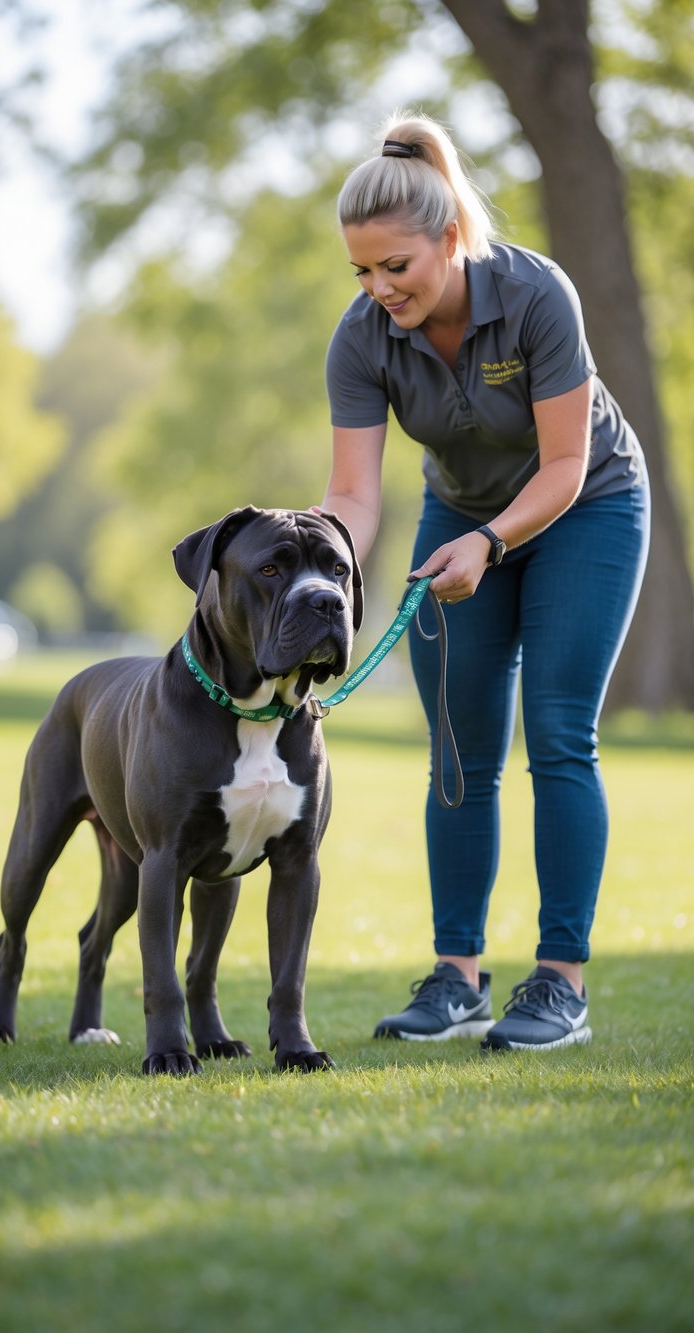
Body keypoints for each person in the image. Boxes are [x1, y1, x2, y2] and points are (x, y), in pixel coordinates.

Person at [320, 110, 650, 1051]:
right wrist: (318, 576)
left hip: (587, 505)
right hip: (458, 513)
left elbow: (564, 469)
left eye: (398, 267)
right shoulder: (361, 342)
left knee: (556, 732)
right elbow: (352, 494)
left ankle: (560, 983)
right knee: (459, 751)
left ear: (450, 239)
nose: (380, 289)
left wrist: (489, 545)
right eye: (362, 271)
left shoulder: (537, 295)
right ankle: (457, 979)